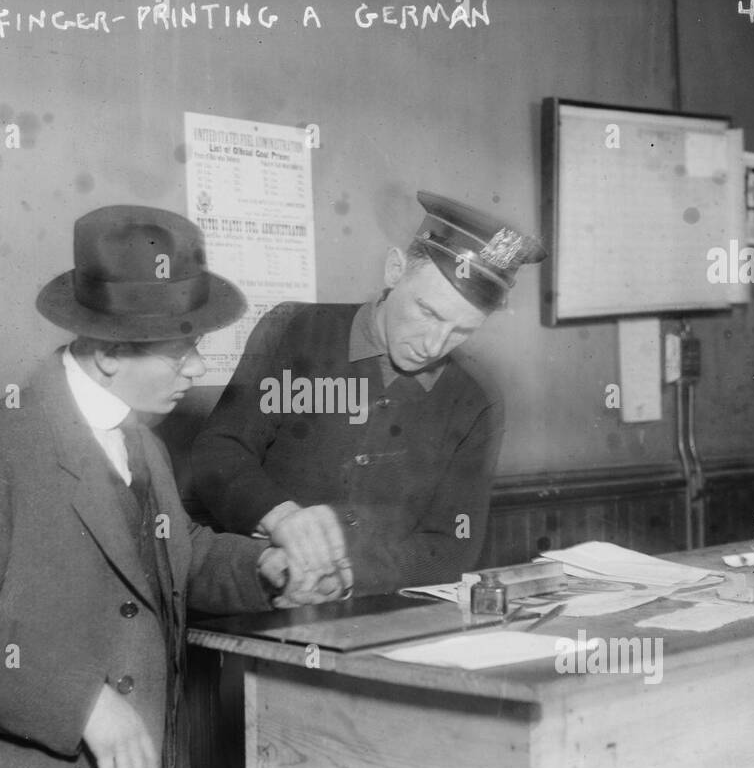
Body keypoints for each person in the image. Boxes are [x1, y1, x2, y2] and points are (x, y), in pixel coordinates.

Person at [0, 205, 336, 768]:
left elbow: (176, 554)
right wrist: (83, 704)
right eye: (182, 353)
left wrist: (267, 567)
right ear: (108, 356)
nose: (198, 369)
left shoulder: (142, 441)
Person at [192, 191, 544, 597]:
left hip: (376, 614)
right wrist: (280, 517)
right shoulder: (297, 330)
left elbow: (453, 543)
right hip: (258, 602)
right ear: (395, 270)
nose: (434, 344)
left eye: (462, 330)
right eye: (428, 313)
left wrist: (346, 577)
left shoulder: (475, 399)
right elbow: (218, 453)